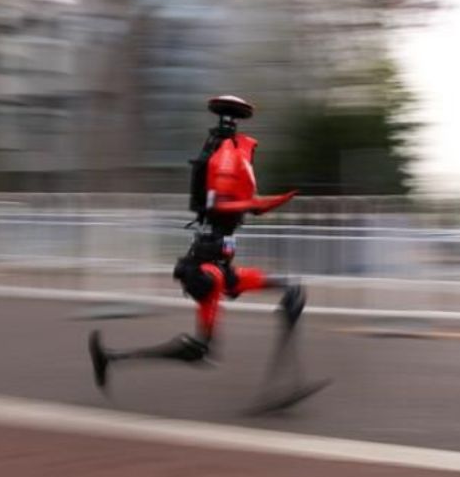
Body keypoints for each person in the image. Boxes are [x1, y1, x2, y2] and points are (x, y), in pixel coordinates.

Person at [89, 95, 303, 389]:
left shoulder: (229, 157)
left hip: (223, 269)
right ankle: (112, 358)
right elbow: (222, 206)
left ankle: (286, 379)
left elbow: (237, 205)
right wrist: (261, 203)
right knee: (201, 350)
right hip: (206, 272)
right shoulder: (223, 160)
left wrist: (262, 203)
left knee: (292, 290)